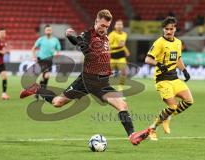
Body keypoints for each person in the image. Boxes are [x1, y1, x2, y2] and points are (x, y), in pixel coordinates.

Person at [20, 9, 150, 145]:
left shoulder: (105, 37)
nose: (104, 29)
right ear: (96, 22)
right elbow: (76, 39)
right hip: (87, 80)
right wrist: (71, 36)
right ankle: (37, 88)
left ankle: (132, 135)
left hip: (102, 82)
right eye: (102, 25)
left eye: (106, 26)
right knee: (57, 103)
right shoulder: (88, 35)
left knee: (122, 104)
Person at [145, 16, 194, 141]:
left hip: (174, 78)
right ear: (163, 29)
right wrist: (159, 64)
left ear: (175, 29)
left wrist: (184, 70)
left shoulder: (178, 42)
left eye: (171, 29)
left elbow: (177, 58)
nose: (168, 31)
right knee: (172, 107)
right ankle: (152, 129)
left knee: (189, 101)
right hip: (162, 80)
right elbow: (148, 59)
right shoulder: (159, 42)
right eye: (166, 29)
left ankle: (167, 117)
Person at [32, 25, 61, 93]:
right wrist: (34, 57)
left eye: (50, 30)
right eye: (47, 30)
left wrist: (57, 53)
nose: (48, 31)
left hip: (49, 60)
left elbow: (58, 49)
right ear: (45, 31)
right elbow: (33, 48)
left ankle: (39, 90)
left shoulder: (55, 40)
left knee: (45, 76)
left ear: (51, 31)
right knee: (46, 75)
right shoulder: (41, 39)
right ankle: (43, 91)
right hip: (41, 59)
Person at [108, 19, 130, 90]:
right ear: (115, 26)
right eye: (118, 24)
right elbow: (108, 46)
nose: (119, 26)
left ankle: (120, 87)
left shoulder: (125, 34)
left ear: (123, 26)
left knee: (124, 72)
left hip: (121, 56)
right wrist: (118, 46)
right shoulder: (112, 35)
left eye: (121, 24)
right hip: (112, 57)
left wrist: (126, 50)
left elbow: (123, 45)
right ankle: (107, 87)